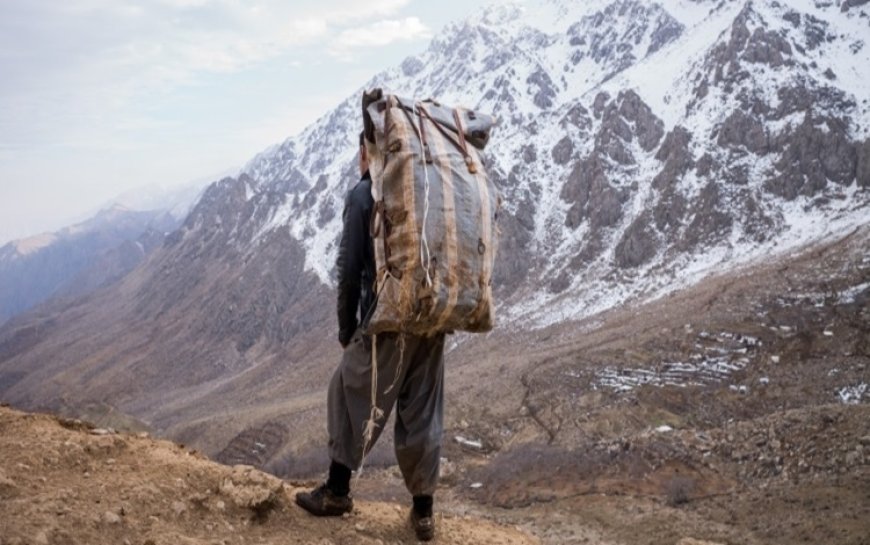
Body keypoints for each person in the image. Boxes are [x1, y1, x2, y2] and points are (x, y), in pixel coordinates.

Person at [296, 131, 446, 542]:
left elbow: (348, 271)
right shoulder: (429, 190)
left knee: (344, 391)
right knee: (422, 410)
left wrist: (347, 329)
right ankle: (423, 513)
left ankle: (337, 491)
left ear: (367, 152)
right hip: (431, 319)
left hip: (387, 319)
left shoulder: (365, 196)